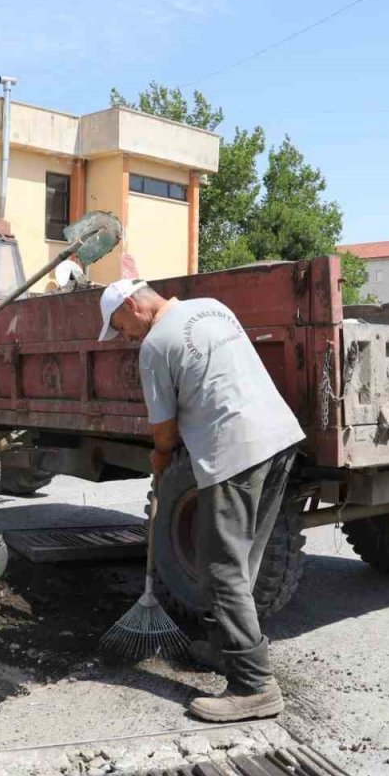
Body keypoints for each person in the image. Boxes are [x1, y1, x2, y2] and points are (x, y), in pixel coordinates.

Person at [98, 278, 305, 722]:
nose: (124, 337)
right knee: (243, 557)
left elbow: (165, 431)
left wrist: (159, 457)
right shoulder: (211, 308)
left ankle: (254, 687)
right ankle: (225, 645)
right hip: (279, 438)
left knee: (219, 569)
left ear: (133, 305)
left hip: (235, 451)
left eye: (119, 326)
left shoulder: (154, 347)